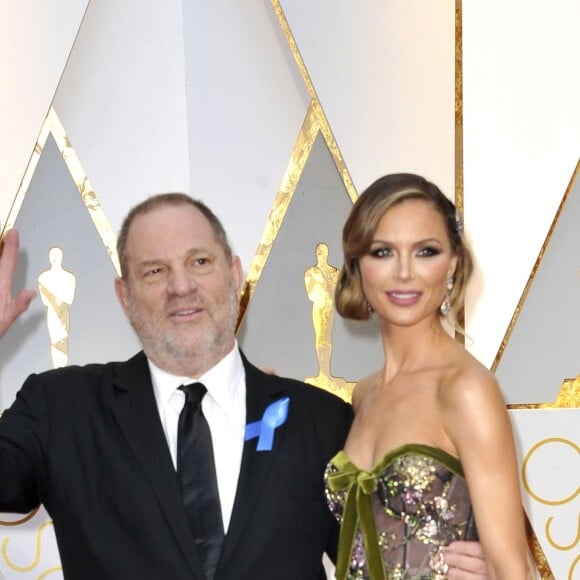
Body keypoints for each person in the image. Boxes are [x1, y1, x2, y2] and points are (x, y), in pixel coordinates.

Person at [0, 195, 490, 579]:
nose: (181, 287)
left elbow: (386, 559)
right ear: (124, 295)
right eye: (154, 271)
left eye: (199, 262)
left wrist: (466, 571)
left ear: (235, 275)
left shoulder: (323, 421)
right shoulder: (60, 408)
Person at [326, 173, 530, 578]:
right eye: (383, 252)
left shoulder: (465, 390)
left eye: (425, 251)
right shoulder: (365, 395)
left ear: (452, 262)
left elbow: (512, 567)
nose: (404, 273)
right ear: (357, 265)